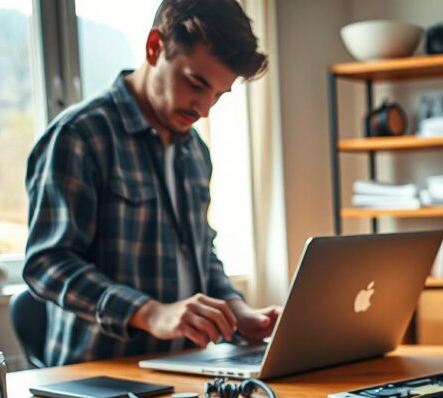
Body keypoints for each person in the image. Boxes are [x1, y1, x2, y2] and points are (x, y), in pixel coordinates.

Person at [23, 0, 278, 365]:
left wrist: (237, 312)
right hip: (96, 384)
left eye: (218, 95)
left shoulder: (195, 152)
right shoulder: (79, 135)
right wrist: (150, 313)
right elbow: (46, 263)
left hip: (187, 373)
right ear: (154, 47)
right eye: (196, 83)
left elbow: (200, 256)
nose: (204, 108)